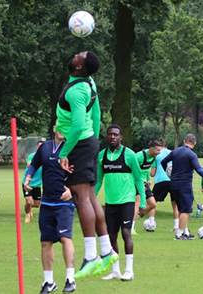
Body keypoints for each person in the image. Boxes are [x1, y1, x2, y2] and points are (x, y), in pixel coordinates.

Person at [56, 51, 117, 278]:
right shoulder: (88, 82)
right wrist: (96, 138)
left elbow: (79, 124)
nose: (75, 54)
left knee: (81, 198)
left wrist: (65, 151)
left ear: (79, 67)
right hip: (88, 142)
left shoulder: (77, 91)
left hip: (79, 145)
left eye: (79, 55)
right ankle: (107, 251)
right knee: (90, 197)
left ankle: (91, 256)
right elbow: (98, 112)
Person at [24, 131, 76, 293]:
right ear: (55, 128)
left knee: (64, 238)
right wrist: (27, 178)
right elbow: (34, 164)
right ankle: (48, 282)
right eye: (60, 126)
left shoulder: (72, 147)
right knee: (45, 242)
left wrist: (72, 190)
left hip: (64, 203)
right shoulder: (45, 147)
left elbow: (85, 172)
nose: (63, 130)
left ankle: (70, 279)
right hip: (46, 202)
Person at [95, 125, 145, 281]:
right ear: (106, 137)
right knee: (111, 236)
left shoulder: (129, 155)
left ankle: (129, 270)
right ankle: (115, 270)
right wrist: (91, 198)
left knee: (126, 233)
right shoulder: (101, 156)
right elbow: (98, 180)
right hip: (110, 203)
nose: (112, 137)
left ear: (121, 137)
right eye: (110, 134)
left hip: (127, 201)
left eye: (116, 134)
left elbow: (138, 179)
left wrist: (142, 201)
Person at [161, 134, 203, 240]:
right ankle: (179, 234)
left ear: (184, 141)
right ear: (194, 143)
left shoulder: (175, 151)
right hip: (184, 185)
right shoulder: (192, 154)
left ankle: (185, 232)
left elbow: (163, 162)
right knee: (185, 210)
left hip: (173, 185)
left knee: (181, 209)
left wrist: (168, 173)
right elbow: (199, 170)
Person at [133, 140, 163, 231]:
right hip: (135, 182)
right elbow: (130, 168)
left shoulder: (153, 158)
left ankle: (131, 219)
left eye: (160, 150)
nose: (159, 152)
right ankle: (130, 228)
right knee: (137, 204)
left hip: (144, 183)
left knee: (152, 204)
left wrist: (148, 180)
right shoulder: (139, 156)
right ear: (151, 148)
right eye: (157, 150)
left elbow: (147, 170)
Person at [150, 141, 179, 231]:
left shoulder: (156, 154)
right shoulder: (172, 153)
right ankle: (176, 226)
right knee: (175, 205)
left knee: (152, 204)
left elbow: (152, 173)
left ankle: (151, 224)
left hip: (161, 181)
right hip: (173, 181)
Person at [22, 141, 44, 224]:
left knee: (37, 204)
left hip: (37, 184)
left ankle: (29, 207)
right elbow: (29, 165)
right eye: (39, 146)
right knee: (29, 201)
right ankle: (27, 214)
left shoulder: (46, 157)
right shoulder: (32, 155)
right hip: (27, 182)